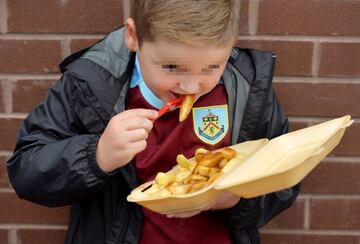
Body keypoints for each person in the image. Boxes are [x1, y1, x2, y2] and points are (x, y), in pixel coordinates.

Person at [7, 0, 300, 243]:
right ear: (133, 37)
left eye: (212, 67)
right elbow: (26, 171)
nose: (191, 86)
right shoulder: (91, 85)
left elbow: (285, 179)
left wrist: (238, 199)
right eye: (172, 67)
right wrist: (97, 155)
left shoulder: (247, 89)